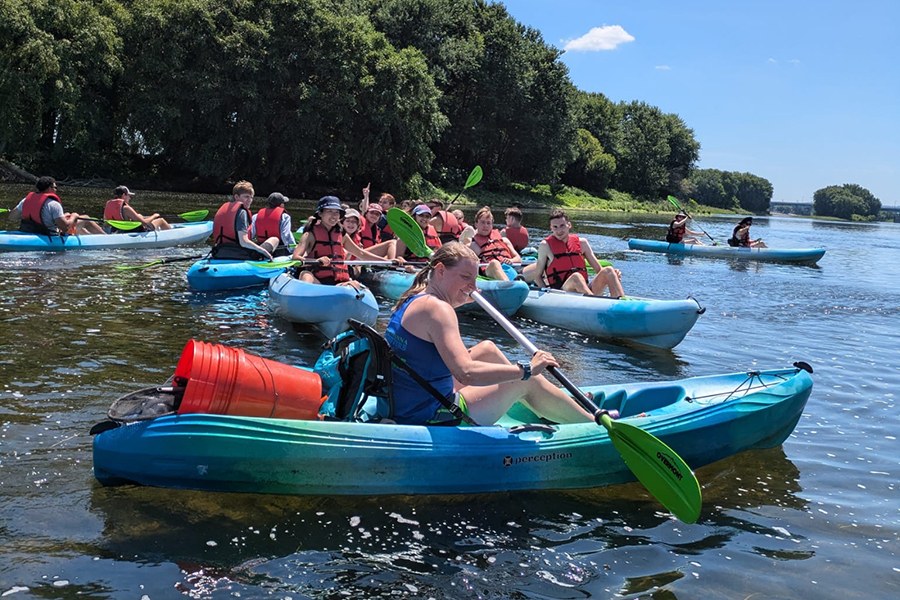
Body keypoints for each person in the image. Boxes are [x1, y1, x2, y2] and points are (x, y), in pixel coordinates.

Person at [385, 243, 597, 426]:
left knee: (488, 349)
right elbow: (466, 373)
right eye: (466, 277)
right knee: (527, 379)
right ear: (440, 270)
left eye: (475, 279)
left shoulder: (415, 297)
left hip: (408, 399)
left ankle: (545, 401)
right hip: (432, 413)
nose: (473, 286)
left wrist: (461, 294)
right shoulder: (439, 310)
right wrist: (526, 370)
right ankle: (591, 422)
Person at [292, 196, 399, 285]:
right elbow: (295, 257)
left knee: (356, 285)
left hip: (337, 281)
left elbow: (361, 253)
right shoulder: (310, 234)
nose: (334, 216)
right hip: (316, 279)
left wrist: (388, 262)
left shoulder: (341, 234)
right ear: (320, 214)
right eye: (330, 211)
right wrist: (317, 261)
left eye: (337, 213)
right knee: (306, 276)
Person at [524, 209, 624, 297]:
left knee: (609, 271)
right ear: (551, 228)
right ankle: (592, 303)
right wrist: (547, 294)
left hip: (585, 289)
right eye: (555, 227)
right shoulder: (545, 246)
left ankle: (620, 302)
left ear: (569, 225)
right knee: (576, 277)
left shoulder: (582, 243)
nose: (559, 230)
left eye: (562, 225)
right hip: (562, 292)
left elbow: (599, 269)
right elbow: (537, 276)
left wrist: (614, 275)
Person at [8, 176, 104, 236]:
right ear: (49, 188)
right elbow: (65, 228)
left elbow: (12, 217)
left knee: (67, 215)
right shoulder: (53, 204)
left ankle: (90, 238)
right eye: (55, 187)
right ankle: (108, 238)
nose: (56, 189)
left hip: (28, 231)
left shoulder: (25, 201)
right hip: (48, 234)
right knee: (85, 218)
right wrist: (74, 216)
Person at [211, 180, 277, 260]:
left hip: (220, 251)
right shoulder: (242, 212)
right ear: (236, 197)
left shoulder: (224, 209)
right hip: (239, 253)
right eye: (246, 197)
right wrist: (263, 251)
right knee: (274, 239)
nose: (250, 200)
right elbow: (243, 242)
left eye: (251, 197)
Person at [459, 206, 520, 281]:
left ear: (492, 225)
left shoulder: (504, 240)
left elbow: (518, 258)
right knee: (495, 263)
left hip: (509, 269)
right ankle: (509, 285)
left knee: (536, 265)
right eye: (482, 222)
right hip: (490, 270)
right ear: (476, 224)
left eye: (488, 223)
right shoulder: (473, 245)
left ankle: (516, 282)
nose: (486, 226)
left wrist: (511, 260)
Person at [103, 185, 171, 233]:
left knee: (139, 215)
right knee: (161, 220)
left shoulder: (108, 206)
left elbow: (106, 224)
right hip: (133, 231)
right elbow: (145, 224)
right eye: (129, 195)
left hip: (118, 231)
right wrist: (154, 216)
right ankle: (172, 235)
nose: (130, 198)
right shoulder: (126, 208)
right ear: (124, 195)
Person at [250, 192, 294, 256]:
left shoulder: (256, 216)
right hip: (278, 250)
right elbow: (285, 235)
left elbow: (251, 233)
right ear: (281, 205)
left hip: (261, 246)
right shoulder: (285, 217)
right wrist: (293, 250)